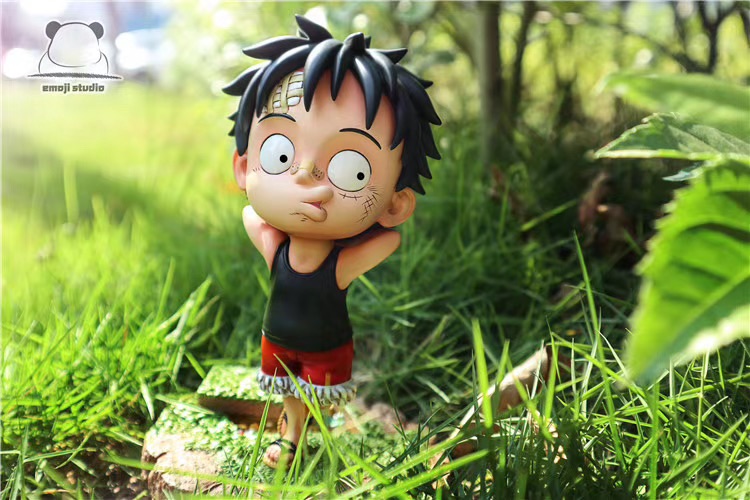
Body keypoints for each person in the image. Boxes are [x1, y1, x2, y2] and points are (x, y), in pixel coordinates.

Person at [224, 15, 440, 468]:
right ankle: (293, 432)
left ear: (396, 203)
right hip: (277, 338)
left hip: (326, 344)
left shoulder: (335, 265)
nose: (305, 174)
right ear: (244, 167)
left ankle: (308, 432)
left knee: (318, 393)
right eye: (279, 153)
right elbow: (251, 216)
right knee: (288, 390)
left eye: (350, 169)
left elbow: (387, 243)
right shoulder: (277, 250)